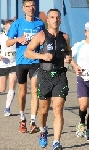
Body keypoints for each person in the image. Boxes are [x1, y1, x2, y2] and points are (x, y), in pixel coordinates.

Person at [24, 9, 71, 149]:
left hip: (60, 75)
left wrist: (68, 57)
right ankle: (43, 130)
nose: (55, 19)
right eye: (52, 17)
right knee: (43, 110)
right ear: (48, 20)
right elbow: (28, 52)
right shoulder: (41, 35)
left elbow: (68, 50)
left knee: (58, 109)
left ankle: (56, 142)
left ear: (60, 20)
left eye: (57, 17)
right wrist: (42, 56)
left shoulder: (65, 37)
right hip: (44, 76)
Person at [6, 0, 45, 133]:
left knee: (35, 90)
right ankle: (22, 118)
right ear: (23, 8)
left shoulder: (40, 23)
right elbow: (7, 42)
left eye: (33, 6)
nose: (30, 8)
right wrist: (18, 39)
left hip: (35, 61)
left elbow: (45, 40)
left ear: (35, 7)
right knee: (22, 92)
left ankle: (33, 121)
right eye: (27, 6)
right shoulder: (18, 23)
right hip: (22, 61)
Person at [0, 20, 17, 116]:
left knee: (12, 85)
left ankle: (7, 108)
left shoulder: (17, 36)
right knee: (3, 88)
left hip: (14, 64)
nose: (10, 29)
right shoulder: (0, 37)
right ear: (5, 28)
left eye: (12, 27)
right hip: (2, 64)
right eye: (8, 27)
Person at [71, 22, 89, 141]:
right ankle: (82, 123)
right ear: (86, 32)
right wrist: (74, 65)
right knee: (83, 105)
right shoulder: (79, 45)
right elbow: (68, 56)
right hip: (82, 78)